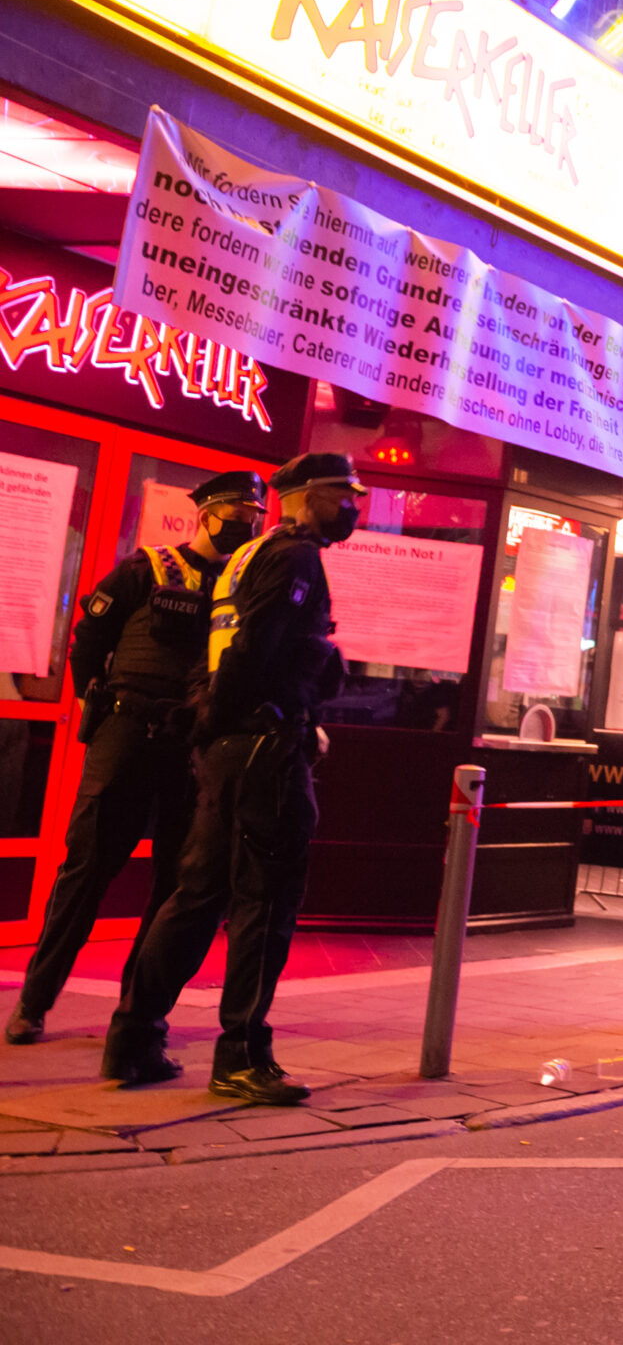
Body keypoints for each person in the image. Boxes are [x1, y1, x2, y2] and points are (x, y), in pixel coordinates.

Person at [103, 454, 362, 1102]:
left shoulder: (249, 556)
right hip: (264, 749)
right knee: (265, 903)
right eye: (340, 493)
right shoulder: (295, 558)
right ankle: (242, 1057)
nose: (352, 505)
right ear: (301, 497)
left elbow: (218, 652)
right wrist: (269, 721)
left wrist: (211, 729)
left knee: (197, 896)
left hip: (231, 746)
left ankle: (133, 1040)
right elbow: (256, 650)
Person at [6, 472, 267, 1047]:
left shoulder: (244, 586)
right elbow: (89, 639)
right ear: (204, 514)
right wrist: (88, 701)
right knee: (86, 873)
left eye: (255, 516)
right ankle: (34, 1001)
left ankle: (138, 1010)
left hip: (192, 747)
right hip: (127, 732)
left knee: (177, 884)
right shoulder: (147, 568)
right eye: (236, 512)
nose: (246, 524)